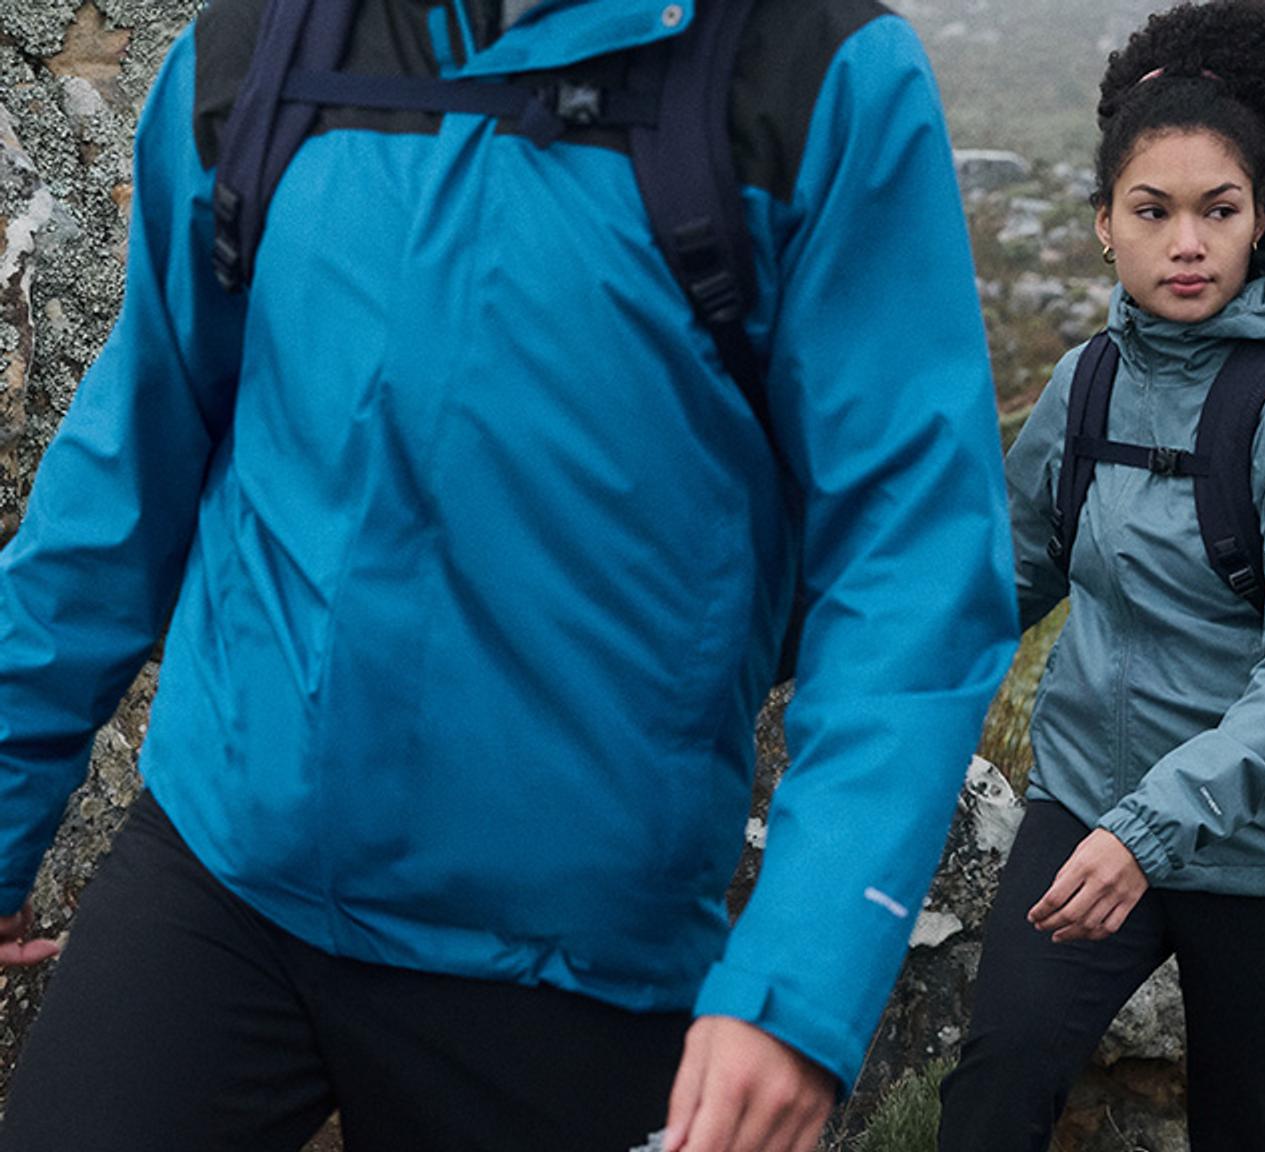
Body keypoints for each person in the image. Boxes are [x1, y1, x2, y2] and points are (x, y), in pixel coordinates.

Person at [0, 0, 1017, 1148]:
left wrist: (799, 986)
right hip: (228, 872)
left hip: (571, 960)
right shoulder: (265, 46)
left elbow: (912, 570)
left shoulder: (813, 73)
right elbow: (128, 458)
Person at [935, 2, 1265, 1148]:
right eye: (1153, 210)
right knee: (993, 1090)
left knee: (1251, 1132)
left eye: (1216, 210)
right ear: (1103, 226)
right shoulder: (1087, 385)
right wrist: (833, 662)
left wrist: (1148, 831)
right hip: (1087, 801)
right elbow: (1002, 579)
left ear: (1259, 222)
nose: (1185, 241)